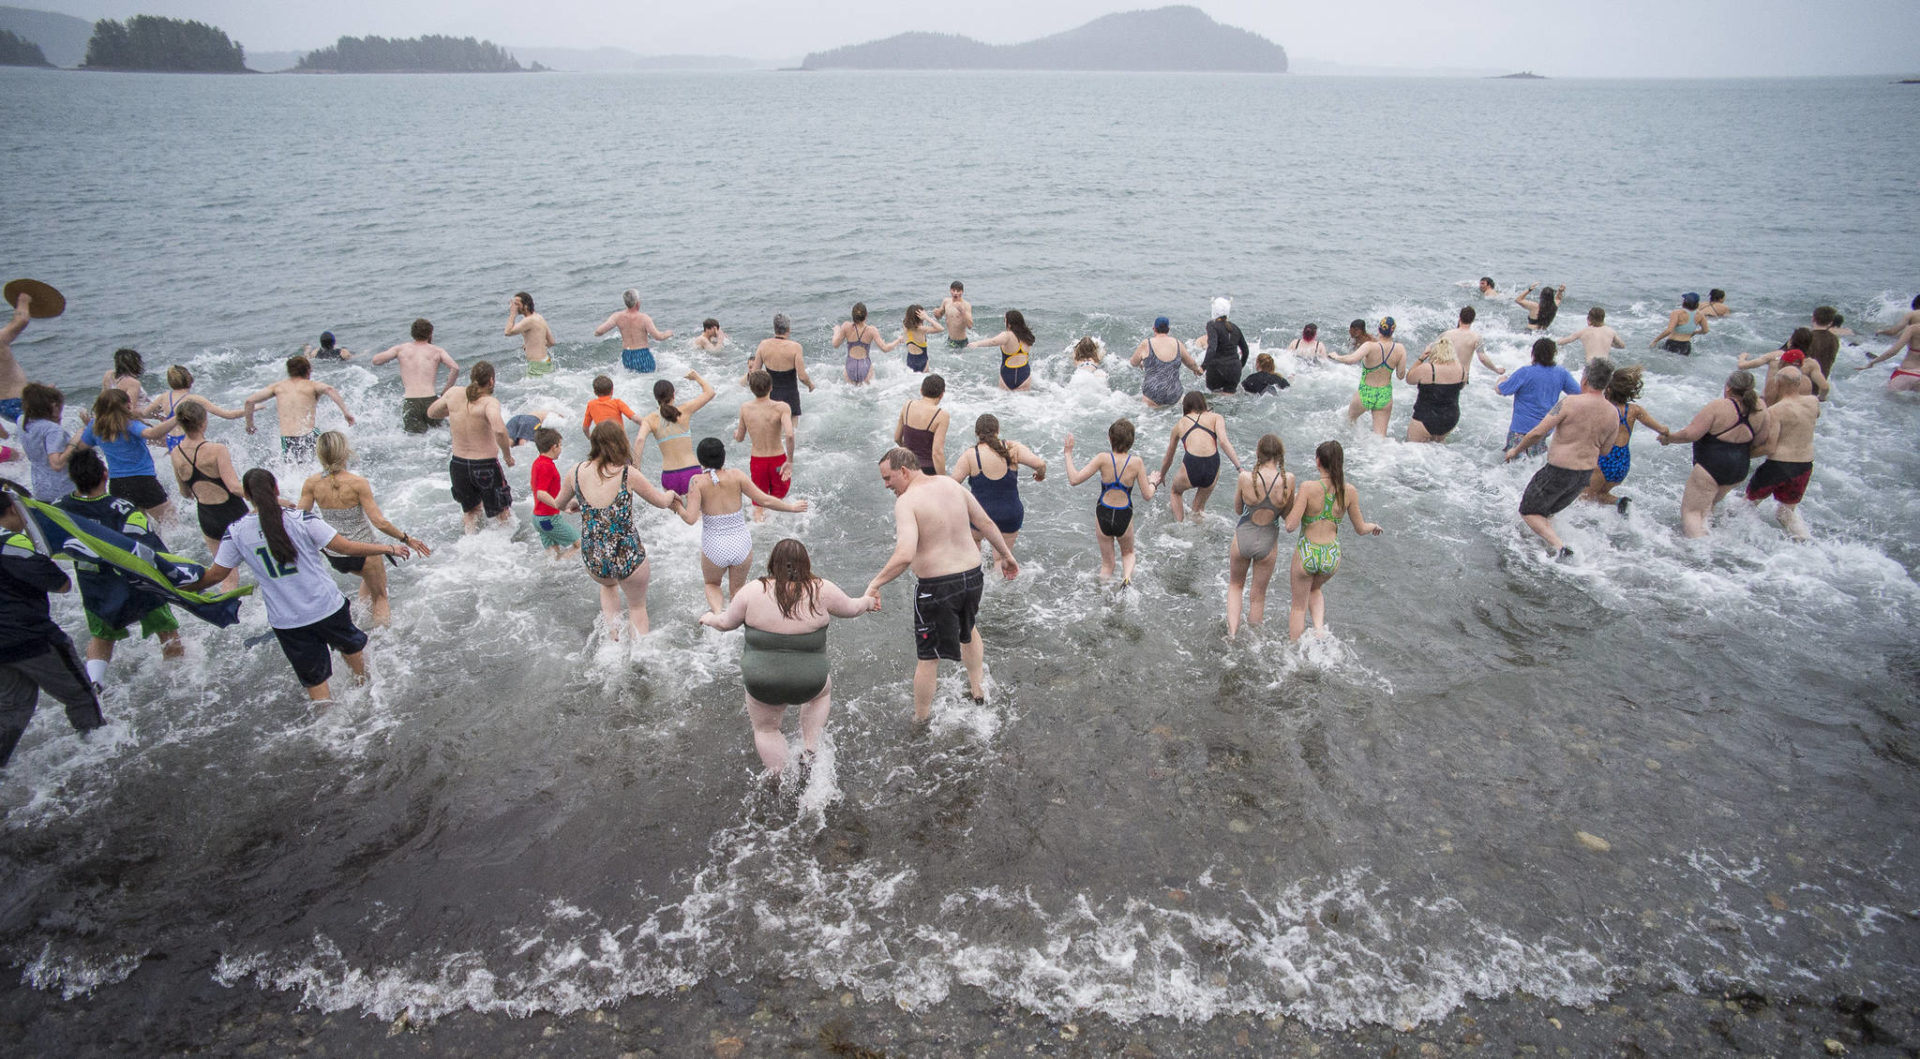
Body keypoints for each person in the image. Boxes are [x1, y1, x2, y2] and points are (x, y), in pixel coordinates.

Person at [184, 469, 407, 703]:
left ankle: (327, 730)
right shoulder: (301, 519)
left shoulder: (236, 532)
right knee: (356, 663)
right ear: (277, 489)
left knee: (316, 684)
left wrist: (182, 588)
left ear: (247, 496)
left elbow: (216, 575)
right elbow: (346, 547)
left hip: (287, 620)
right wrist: (387, 548)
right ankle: (370, 702)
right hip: (326, 607)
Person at [697, 538, 879, 777]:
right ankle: (810, 749)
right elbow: (854, 608)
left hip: (762, 681)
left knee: (766, 729)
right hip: (809, 681)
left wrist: (708, 617)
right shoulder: (821, 589)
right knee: (820, 694)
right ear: (806, 564)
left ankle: (780, 778)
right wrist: (869, 600)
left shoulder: (753, 590)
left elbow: (724, 623)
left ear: (773, 563)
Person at [862, 448, 1018, 721]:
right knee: (968, 630)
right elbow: (985, 522)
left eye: (888, 478)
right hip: (972, 577)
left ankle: (920, 719)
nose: (886, 485)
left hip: (937, 587)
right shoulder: (950, 484)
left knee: (928, 658)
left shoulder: (907, 502)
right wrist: (1007, 556)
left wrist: (875, 583)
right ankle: (978, 691)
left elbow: (905, 554)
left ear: (905, 471)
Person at [58, 448, 185, 685]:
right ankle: (175, 682)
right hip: (137, 584)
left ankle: (95, 684)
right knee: (167, 632)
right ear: (105, 474)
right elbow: (151, 549)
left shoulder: (59, 509)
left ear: (74, 479)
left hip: (94, 585)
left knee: (101, 637)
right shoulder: (123, 509)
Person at [0, 485, 105, 767]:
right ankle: (99, 758)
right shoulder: (13, 544)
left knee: (13, 707)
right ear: (13, 508)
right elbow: (61, 583)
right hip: (33, 638)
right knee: (80, 696)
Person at [549, 421, 683, 640]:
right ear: (620, 443)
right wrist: (671, 495)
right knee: (637, 608)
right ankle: (639, 657)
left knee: (608, 587)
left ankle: (613, 640)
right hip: (627, 553)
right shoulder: (627, 473)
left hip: (594, 555)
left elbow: (559, 504)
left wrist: (577, 502)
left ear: (594, 444)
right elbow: (660, 501)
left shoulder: (575, 472)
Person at [298, 431, 430, 626]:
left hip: (335, 553)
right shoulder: (358, 483)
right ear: (345, 452)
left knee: (368, 582)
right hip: (365, 552)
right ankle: (382, 642)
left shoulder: (312, 483)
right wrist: (406, 539)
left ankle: (360, 621)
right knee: (380, 597)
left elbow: (300, 518)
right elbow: (379, 522)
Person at [677, 437, 808, 613]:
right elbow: (764, 500)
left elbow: (691, 519)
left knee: (712, 584)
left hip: (714, 545)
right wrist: (791, 507)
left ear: (700, 459)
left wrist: (676, 505)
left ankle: (718, 616)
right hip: (741, 544)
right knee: (738, 589)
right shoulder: (736, 475)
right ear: (723, 456)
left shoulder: (697, 482)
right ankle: (736, 621)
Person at [1503, 359, 1619, 557]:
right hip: (1584, 475)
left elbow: (1538, 432)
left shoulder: (1569, 402)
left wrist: (1516, 450)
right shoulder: (1612, 413)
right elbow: (1606, 450)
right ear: (1607, 384)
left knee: (1529, 511)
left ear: (1584, 380)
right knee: (1546, 513)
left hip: (1558, 470)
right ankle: (1541, 548)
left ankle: (1560, 548)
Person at [1284, 440, 1382, 640]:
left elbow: (1290, 525)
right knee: (1315, 588)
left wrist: (1290, 500)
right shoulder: (1349, 491)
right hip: (1331, 556)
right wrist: (1374, 526)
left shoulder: (1308, 487)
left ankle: (1293, 653)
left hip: (1307, 552)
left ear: (1318, 461)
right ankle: (1319, 630)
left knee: (1298, 607)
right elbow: (1361, 528)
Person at [1658, 370, 1770, 538]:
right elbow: (1762, 440)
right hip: (1739, 467)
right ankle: (1708, 539)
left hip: (1711, 465)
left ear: (1729, 388)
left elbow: (1691, 434)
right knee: (1707, 507)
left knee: (1692, 513)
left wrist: (1669, 438)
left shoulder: (1719, 406)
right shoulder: (1761, 408)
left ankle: (1701, 555)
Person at [167, 401, 249, 590]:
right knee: (264, 560)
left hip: (207, 517)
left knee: (227, 576)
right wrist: (266, 497)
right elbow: (234, 487)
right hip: (234, 512)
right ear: (204, 422)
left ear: (181, 424)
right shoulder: (217, 449)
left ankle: (229, 614)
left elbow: (185, 492)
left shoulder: (175, 454)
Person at [427, 360, 515, 533]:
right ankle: (507, 548)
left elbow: (431, 412)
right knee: (502, 513)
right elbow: (499, 430)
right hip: (485, 466)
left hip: (458, 465)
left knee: (470, 512)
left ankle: (470, 544)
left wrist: (453, 411)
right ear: (491, 381)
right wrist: (507, 455)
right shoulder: (489, 402)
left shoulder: (453, 394)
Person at [1063, 419, 1154, 583]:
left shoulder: (1102, 459)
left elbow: (1074, 479)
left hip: (1103, 512)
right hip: (1123, 515)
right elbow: (1147, 495)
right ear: (1131, 442)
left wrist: (1068, 454)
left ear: (1109, 438)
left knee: (1107, 565)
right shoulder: (1137, 462)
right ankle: (1126, 579)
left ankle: (1103, 597)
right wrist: (1153, 481)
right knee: (1128, 553)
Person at [948, 413, 1046, 558]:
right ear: (998, 431)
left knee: (974, 551)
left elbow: (951, 485)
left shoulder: (970, 455)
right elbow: (1040, 464)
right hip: (1010, 514)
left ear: (976, 433)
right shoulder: (1012, 448)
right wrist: (1040, 475)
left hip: (980, 514)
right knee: (1001, 560)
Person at [1225, 434, 1294, 638]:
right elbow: (1286, 513)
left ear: (1258, 453)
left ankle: (1232, 634)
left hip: (1243, 536)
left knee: (1235, 586)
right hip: (1268, 540)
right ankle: (1254, 641)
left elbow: (1238, 510)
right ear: (1280, 455)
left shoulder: (1245, 478)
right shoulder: (1288, 479)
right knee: (1258, 597)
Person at [70, 389, 175, 519]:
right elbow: (151, 434)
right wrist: (178, 418)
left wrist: (81, 431)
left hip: (117, 485)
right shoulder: (129, 424)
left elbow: (81, 448)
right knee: (171, 523)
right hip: (143, 482)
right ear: (127, 405)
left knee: (136, 526)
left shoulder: (95, 427)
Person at [1745, 375, 1820, 541]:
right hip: (1804, 465)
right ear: (1799, 384)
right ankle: (1805, 541)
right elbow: (1816, 416)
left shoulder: (1776, 410)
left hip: (1779, 465)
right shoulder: (1813, 402)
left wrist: (1745, 454)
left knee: (1748, 505)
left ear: (1778, 384)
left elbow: (1769, 447)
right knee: (1785, 514)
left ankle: (1744, 538)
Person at [1584, 366, 1668, 511]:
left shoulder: (1604, 409)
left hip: (1602, 460)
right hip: (1621, 464)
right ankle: (1620, 502)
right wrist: (1664, 435)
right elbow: (1662, 429)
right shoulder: (1635, 411)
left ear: (1608, 389)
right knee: (1599, 495)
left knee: (1584, 499)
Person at [243, 355, 355, 461]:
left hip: (288, 438)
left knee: (294, 469)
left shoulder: (277, 387)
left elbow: (249, 401)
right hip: (309, 434)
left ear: (289, 371)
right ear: (308, 370)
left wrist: (250, 425)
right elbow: (330, 389)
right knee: (329, 460)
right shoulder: (311, 385)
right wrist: (345, 412)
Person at [1152, 391, 1240, 522]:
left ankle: (1180, 526)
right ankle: (1198, 533)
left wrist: (1162, 475)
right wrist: (1239, 468)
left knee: (1175, 492)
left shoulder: (1180, 424)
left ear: (1185, 407)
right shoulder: (1216, 417)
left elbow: (1168, 458)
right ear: (1203, 404)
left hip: (1192, 464)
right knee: (1197, 510)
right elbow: (1224, 442)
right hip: (1212, 464)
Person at [371, 318, 461, 434]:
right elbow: (455, 368)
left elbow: (376, 361)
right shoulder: (437, 350)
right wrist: (446, 391)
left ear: (412, 334)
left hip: (411, 402)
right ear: (430, 333)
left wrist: (395, 356)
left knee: (414, 441)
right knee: (442, 435)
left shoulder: (401, 349)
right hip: (431, 400)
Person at [634, 371, 716, 496]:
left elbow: (640, 440)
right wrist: (696, 377)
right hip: (691, 471)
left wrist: (637, 470)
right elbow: (710, 393)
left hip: (669, 474)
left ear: (656, 398)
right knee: (696, 513)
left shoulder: (649, 419)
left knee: (679, 513)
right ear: (673, 394)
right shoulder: (684, 410)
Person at [1496, 338, 1580, 457]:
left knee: (1512, 466)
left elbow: (1501, 390)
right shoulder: (1561, 373)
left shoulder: (1525, 372)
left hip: (1520, 430)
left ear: (1533, 353)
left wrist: (1500, 380)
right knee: (1533, 467)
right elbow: (1579, 393)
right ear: (1554, 354)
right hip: (1544, 430)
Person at [735, 369, 797, 523]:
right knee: (779, 502)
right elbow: (789, 434)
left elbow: (740, 438)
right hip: (778, 462)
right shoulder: (782, 407)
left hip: (758, 462)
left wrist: (735, 434)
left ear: (751, 389)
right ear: (771, 387)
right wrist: (790, 461)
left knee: (760, 504)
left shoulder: (745, 408)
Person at [141, 366, 243, 451]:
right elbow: (228, 415)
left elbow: (143, 414)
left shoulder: (163, 397)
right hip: (188, 439)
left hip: (171, 440)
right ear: (189, 379)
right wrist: (253, 408)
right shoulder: (192, 398)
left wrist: (159, 417)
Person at [1334, 317, 1405, 437]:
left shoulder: (1370, 346)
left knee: (1349, 422)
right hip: (1385, 394)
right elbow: (1400, 375)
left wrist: (1336, 356)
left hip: (1366, 392)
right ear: (1393, 331)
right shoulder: (1400, 348)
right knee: (1380, 438)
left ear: (1379, 329)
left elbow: (1351, 359)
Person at [746, 314, 813, 427]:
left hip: (770, 393)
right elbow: (802, 376)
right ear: (788, 329)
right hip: (790, 394)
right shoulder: (795, 347)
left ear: (774, 328)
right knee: (791, 430)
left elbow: (754, 373)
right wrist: (810, 385)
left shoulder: (763, 345)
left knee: (773, 428)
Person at [526, 427, 580, 560]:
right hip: (548, 519)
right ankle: (562, 563)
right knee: (581, 545)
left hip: (538, 518)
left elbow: (542, 489)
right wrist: (560, 506)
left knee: (553, 556)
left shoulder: (537, 463)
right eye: (560, 445)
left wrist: (567, 502)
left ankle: (553, 577)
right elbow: (541, 493)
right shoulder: (547, 466)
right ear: (554, 447)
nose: (561, 449)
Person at [1738, 328, 1830, 405]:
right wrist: (1820, 399)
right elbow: (1824, 387)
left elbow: (1742, 366)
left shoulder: (1774, 356)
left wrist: (1742, 357)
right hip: (1793, 406)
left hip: (1769, 402)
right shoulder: (1811, 364)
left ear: (1790, 341)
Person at [1400, 336, 1466, 443]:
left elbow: (1409, 379)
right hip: (1450, 418)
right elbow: (1461, 387)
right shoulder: (1461, 369)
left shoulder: (1428, 369)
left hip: (1426, 417)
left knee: (1412, 451)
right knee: (1438, 450)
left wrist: (1421, 358)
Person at [18, 383, 75, 502]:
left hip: (40, 488)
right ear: (54, 406)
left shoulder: (22, 420)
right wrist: (74, 442)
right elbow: (56, 464)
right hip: (62, 489)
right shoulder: (52, 429)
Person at [595, 289, 673, 373]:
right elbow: (658, 337)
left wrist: (596, 333)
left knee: (632, 379)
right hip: (642, 355)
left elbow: (599, 332)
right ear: (637, 303)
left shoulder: (617, 316)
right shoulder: (644, 318)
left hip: (627, 355)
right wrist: (668, 333)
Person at [1131, 317, 1202, 407]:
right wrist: (1196, 370)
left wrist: (1142, 362)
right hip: (1174, 393)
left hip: (1152, 393)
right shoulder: (1177, 343)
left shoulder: (1146, 344)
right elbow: (1191, 364)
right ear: (1168, 329)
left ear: (1154, 329)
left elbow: (1133, 362)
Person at [894, 374, 950, 475]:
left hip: (906, 466)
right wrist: (943, 480)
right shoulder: (942, 415)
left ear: (921, 390)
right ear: (941, 394)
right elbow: (937, 453)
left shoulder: (908, 405)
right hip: (926, 471)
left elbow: (897, 438)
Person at [1194, 297, 1249, 394]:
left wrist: (1203, 367)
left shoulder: (1212, 325)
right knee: (1229, 400)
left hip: (1217, 368)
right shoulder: (1235, 327)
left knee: (1214, 400)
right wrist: (1240, 366)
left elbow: (1212, 348)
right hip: (1234, 369)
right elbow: (1246, 351)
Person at [970, 310, 1036, 391]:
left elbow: (993, 341)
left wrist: (977, 343)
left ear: (1009, 323)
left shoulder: (1007, 335)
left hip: (1008, 374)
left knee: (1004, 401)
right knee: (1023, 401)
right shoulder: (1027, 336)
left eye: (1005, 320)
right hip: (1024, 374)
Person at [0, 290, 36, 423]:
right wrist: (23, 300)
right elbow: (22, 320)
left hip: (3, 405)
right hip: (16, 401)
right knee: (39, 431)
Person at [505, 292, 557, 376]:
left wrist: (512, 314)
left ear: (525, 306)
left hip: (536, 365)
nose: (514, 307)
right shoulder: (539, 317)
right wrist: (532, 344)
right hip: (546, 361)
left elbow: (507, 332)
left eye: (517, 304)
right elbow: (551, 342)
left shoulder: (528, 321)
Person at [1861, 318, 1920, 392]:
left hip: (1906, 372)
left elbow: (1894, 351)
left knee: (1887, 397)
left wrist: (1873, 362)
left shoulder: (1913, 329)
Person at [1554, 307, 1626, 366]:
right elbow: (1622, 346)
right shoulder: (1611, 331)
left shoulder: (1584, 331)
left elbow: (1565, 340)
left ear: (1589, 319)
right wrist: (1610, 343)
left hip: (1592, 365)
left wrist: (1551, 342)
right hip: (1605, 366)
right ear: (1603, 319)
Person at [829, 303, 880, 385]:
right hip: (865, 365)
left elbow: (835, 344)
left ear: (853, 316)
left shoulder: (846, 326)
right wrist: (898, 340)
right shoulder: (871, 330)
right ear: (866, 315)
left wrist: (836, 331)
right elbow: (885, 348)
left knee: (850, 394)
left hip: (850, 365)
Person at [894, 306, 938, 373]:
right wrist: (927, 318)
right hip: (922, 362)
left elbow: (908, 320)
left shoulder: (905, 326)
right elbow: (940, 328)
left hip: (910, 361)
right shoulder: (921, 329)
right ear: (919, 317)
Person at [1804, 306, 1842, 376]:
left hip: (1803, 380)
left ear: (1813, 319)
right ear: (1830, 323)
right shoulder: (1834, 339)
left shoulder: (1806, 336)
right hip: (1823, 378)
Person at [933, 281, 972, 346]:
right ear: (950, 290)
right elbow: (939, 317)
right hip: (950, 340)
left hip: (962, 342)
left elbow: (970, 325)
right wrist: (936, 313)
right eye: (953, 290)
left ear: (962, 292)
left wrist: (962, 311)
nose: (955, 293)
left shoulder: (966, 305)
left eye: (958, 291)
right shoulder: (946, 301)